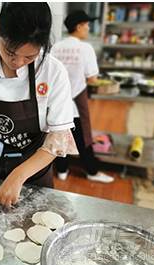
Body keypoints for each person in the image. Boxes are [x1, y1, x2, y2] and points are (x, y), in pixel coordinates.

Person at [0, 3, 78, 208]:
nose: (17, 62)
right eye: (10, 52)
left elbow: (58, 139)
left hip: (35, 175)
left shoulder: (53, 72)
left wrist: (18, 176)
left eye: (30, 56)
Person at [51, 10, 114, 183]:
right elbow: (92, 78)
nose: (88, 28)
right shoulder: (85, 48)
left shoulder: (56, 47)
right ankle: (92, 172)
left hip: (57, 100)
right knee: (83, 137)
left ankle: (62, 170)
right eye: (86, 25)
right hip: (77, 100)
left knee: (59, 133)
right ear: (78, 27)